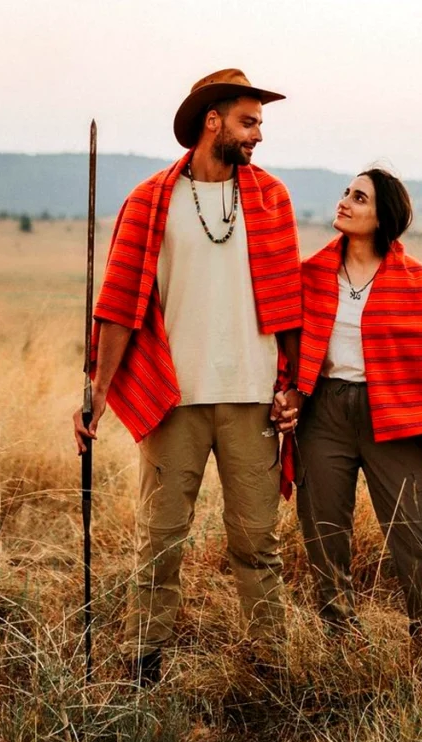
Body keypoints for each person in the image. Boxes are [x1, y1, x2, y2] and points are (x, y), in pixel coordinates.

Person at [73, 69, 301, 687]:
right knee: (161, 540)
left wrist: (293, 386)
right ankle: (145, 665)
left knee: (257, 543)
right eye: (249, 122)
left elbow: (290, 304)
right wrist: (97, 391)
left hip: (253, 397)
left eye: (259, 124)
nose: (258, 135)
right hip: (173, 397)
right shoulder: (151, 201)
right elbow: (120, 304)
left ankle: (270, 666)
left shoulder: (272, 199)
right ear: (213, 121)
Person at [272, 168, 422, 644]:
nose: (345, 202)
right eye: (346, 193)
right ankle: (341, 638)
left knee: (419, 534)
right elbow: (289, 349)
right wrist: (286, 391)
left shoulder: (417, 283)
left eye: (359, 198)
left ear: (384, 217)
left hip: (393, 418)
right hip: (325, 414)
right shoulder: (312, 275)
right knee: (324, 532)